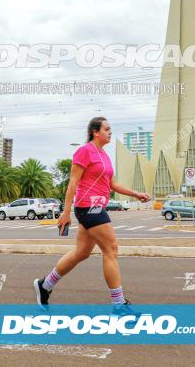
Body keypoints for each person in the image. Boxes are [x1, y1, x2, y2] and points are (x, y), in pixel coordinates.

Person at [33, 116, 151, 314]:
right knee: (111, 249)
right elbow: (73, 182)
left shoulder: (104, 155)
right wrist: (66, 211)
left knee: (82, 252)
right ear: (95, 132)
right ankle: (119, 305)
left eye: (110, 129)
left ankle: (45, 285)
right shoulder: (84, 151)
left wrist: (135, 194)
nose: (110, 132)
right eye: (107, 129)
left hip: (98, 207)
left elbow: (112, 184)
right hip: (87, 207)